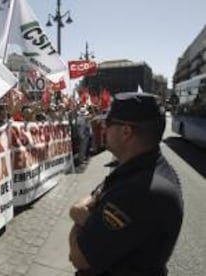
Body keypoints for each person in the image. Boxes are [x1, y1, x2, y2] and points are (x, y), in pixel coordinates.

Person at [68, 92, 183, 276]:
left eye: (108, 123)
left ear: (126, 131)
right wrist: (88, 215)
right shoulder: (144, 168)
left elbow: (79, 258)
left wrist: (77, 218)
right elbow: (97, 196)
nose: (103, 128)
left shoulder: (138, 191)